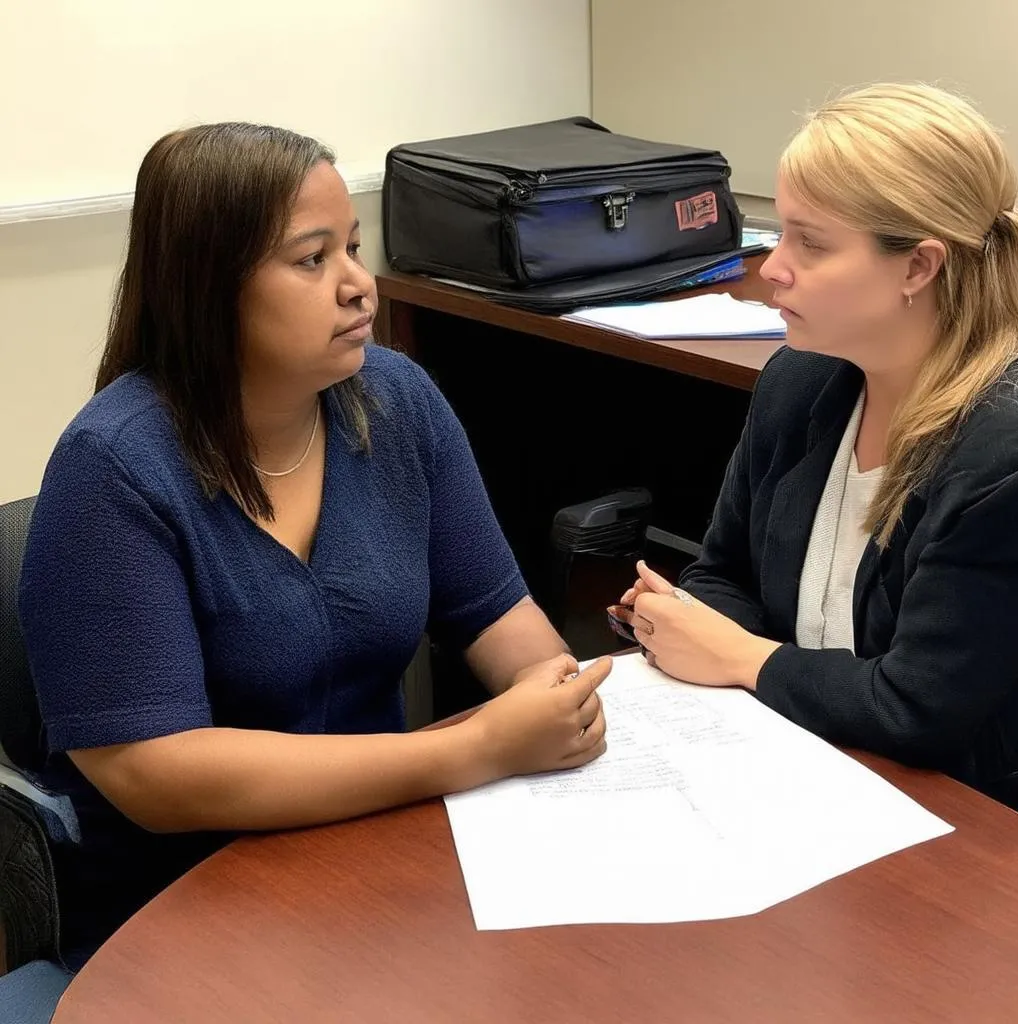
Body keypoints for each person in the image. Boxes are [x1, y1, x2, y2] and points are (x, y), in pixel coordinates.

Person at [18, 122, 610, 969]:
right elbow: (157, 775)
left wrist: (549, 698)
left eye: (355, 249)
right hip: (178, 911)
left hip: (377, 855)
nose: (359, 287)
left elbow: (496, 611)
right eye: (312, 259)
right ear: (208, 285)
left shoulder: (395, 400)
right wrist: (473, 749)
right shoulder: (112, 470)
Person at [611, 83, 1018, 811]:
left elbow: (918, 710)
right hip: (797, 767)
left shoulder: (1003, 453)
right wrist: (680, 618)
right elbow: (725, 572)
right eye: (780, 232)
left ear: (917, 267)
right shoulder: (800, 380)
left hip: (957, 819)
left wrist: (737, 656)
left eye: (811, 242)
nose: (772, 267)